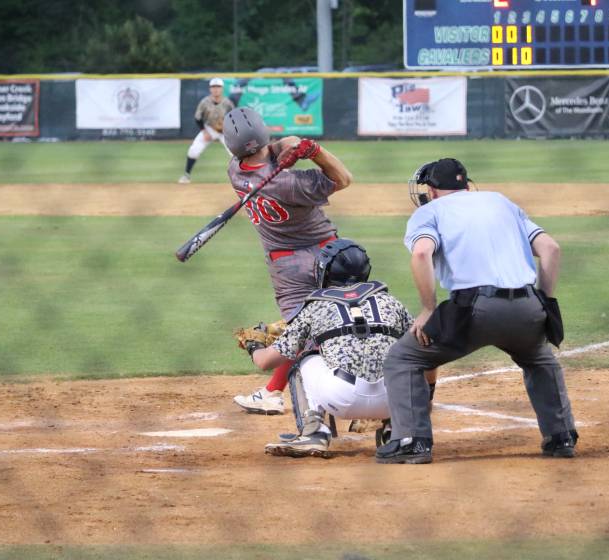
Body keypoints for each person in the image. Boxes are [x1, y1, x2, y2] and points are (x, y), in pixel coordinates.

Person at [376, 158, 578, 465]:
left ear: (431, 190)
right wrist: (545, 303)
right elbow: (551, 248)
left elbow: (421, 253)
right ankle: (561, 436)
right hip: (527, 308)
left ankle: (412, 441)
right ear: (466, 185)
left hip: (474, 311)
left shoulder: (429, 212)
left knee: (404, 358)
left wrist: (429, 308)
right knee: (539, 359)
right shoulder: (501, 202)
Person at [238, 239, 436, 457]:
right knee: (401, 354)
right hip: (395, 399)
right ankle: (395, 429)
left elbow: (265, 361)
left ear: (325, 272)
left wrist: (253, 346)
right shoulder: (390, 301)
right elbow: (425, 346)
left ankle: (314, 432)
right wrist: (426, 397)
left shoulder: (315, 307)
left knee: (303, 358)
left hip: (342, 399)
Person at [223, 107, 353, 415]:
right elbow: (344, 178)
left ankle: (279, 397)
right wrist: (314, 151)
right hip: (331, 255)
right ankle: (357, 390)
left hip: (287, 266)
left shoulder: (234, 171)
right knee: (343, 323)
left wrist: (288, 147)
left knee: (302, 331)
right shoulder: (294, 183)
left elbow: (268, 150)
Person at [178, 78, 235, 184]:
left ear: (222, 89)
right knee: (193, 150)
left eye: (218, 87)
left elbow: (234, 118)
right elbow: (198, 118)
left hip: (225, 131)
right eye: (213, 87)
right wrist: (204, 131)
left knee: (235, 153)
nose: (216, 89)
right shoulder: (204, 102)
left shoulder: (228, 103)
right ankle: (186, 175)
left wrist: (228, 129)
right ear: (210, 89)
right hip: (209, 129)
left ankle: (244, 178)